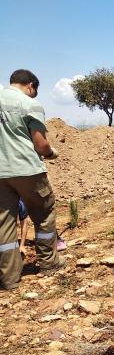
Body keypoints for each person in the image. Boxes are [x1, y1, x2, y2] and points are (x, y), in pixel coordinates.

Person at [0, 69, 64, 289]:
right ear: (30, 86)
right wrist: (51, 153)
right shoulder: (29, 105)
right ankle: (49, 263)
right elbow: (41, 144)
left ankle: (9, 278)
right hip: (27, 169)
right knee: (44, 213)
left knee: (4, 225)